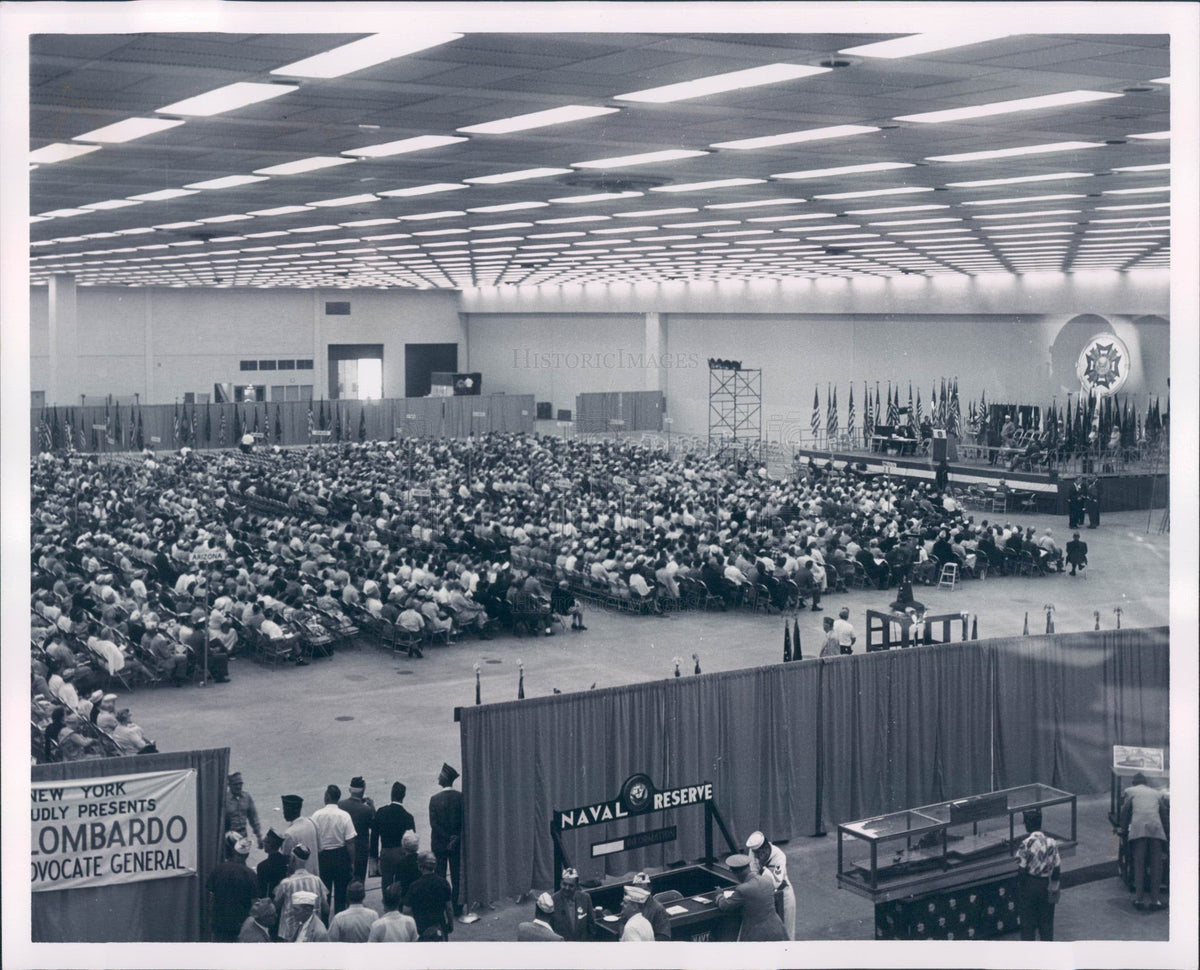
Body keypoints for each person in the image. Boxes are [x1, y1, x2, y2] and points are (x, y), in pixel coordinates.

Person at [1120, 772, 1168, 911]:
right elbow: (1163, 814)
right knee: (1156, 866)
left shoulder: (1130, 791)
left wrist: (1123, 829)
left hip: (1138, 829)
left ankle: (1139, 899)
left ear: (1133, 783)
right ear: (1146, 783)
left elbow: (1125, 812)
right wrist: (1167, 832)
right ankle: (1155, 900)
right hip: (1156, 830)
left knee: (1139, 865)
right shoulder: (1156, 793)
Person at [716, 853, 787, 941]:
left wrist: (719, 895)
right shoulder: (767, 880)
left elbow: (724, 905)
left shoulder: (742, 889)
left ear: (736, 872)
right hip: (776, 927)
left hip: (758, 933)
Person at [1015, 809, 1061, 941]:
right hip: (1046, 884)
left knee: (1028, 924)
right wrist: (1053, 886)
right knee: (1046, 924)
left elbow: (1022, 870)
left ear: (1029, 824)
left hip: (1030, 884)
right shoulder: (1052, 842)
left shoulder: (1026, 844)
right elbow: (1057, 867)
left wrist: (1022, 888)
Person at [312, 784, 357, 916]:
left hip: (323, 857)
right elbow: (350, 841)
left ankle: (324, 923)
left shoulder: (317, 815)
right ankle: (339, 921)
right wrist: (352, 862)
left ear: (327, 797)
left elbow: (314, 837)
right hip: (340, 856)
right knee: (341, 895)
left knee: (324, 894)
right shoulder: (344, 816)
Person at [207, 834, 257, 942]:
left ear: (234, 851)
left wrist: (211, 919)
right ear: (247, 855)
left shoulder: (218, 869)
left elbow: (211, 898)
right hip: (240, 926)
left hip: (219, 924)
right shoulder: (250, 875)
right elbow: (254, 904)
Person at [429, 762, 463, 916]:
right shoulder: (460, 797)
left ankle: (441, 907)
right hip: (456, 844)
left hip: (440, 844)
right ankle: (457, 908)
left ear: (444, 779)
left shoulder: (434, 799)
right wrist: (454, 839)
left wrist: (446, 838)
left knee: (440, 876)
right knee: (456, 876)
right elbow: (464, 822)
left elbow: (433, 824)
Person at [274, 844, 328, 942]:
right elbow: (326, 908)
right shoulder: (317, 881)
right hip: (312, 932)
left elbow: (275, 907)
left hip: (288, 935)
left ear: (293, 860)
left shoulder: (286, 883)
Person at [747, 830, 795, 941]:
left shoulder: (779, 856)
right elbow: (753, 872)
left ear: (766, 848)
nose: (758, 857)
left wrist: (764, 869)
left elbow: (776, 883)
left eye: (760, 854)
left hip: (784, 896)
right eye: (756, 854)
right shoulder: (753, 851)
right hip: (767, 898)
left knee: (787, 933)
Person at [371, 781, 416, 891]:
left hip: (386, 852)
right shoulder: (408, 817)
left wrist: (374, 856)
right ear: (403, 796)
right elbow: (412, 841)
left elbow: (374, 837)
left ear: (391, 794)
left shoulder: (381, 812)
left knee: (386, 881)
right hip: (401, 853)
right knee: (402, 881)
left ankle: (388, 903)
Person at [404, 851, 454, 941]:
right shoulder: (444, 883)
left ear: (420, 867)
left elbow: (407, 910)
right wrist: (450, 924)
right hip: (439, 925)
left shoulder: (415, 886)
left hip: (420, 927)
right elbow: (449, 908)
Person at [338, 776, 376, 884]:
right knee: (359, 881)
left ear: (350, 790)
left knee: (344, 882)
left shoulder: (340, 805)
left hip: (343, 849)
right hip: (360, 850)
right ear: (363, 790)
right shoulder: (366, 809)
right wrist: (372, 806)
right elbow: (375, 826)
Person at [550, 867, 595, 941]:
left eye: (571, 886)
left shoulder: (585, 898)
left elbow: (591, 924)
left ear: (577, 886)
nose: (567, 888)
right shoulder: (553, 900)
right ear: (561, 883)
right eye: (564, 884)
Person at [225, 771, 263, 848]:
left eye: (240, 784)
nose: (239, 786)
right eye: (236, 784)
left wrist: (259, 836)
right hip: (229, 837)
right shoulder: (224, 800)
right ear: (229, 785)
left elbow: (253, 818)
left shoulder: (246, 797)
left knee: (242, 857)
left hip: (243, 835)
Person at [280, 794, 320, 864]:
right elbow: (320, 848)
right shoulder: (312, 823)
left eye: (285, 809)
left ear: (292, 811)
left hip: (298, 873)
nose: (283, 812)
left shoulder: (290, 833)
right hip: (315, 872)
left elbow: (285, 858)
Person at [630, 871, 671, 940]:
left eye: (642, 890)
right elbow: (622, 922)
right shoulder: (630, 905)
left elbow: (664, 936)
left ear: (649, 890)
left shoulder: (658, 909)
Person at [256, 828, 289, 904]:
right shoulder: (286, 860)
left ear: (269, 845)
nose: (264, 844)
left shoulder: (263, 866)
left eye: (265, 842)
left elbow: (261, 892)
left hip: (270, 903)